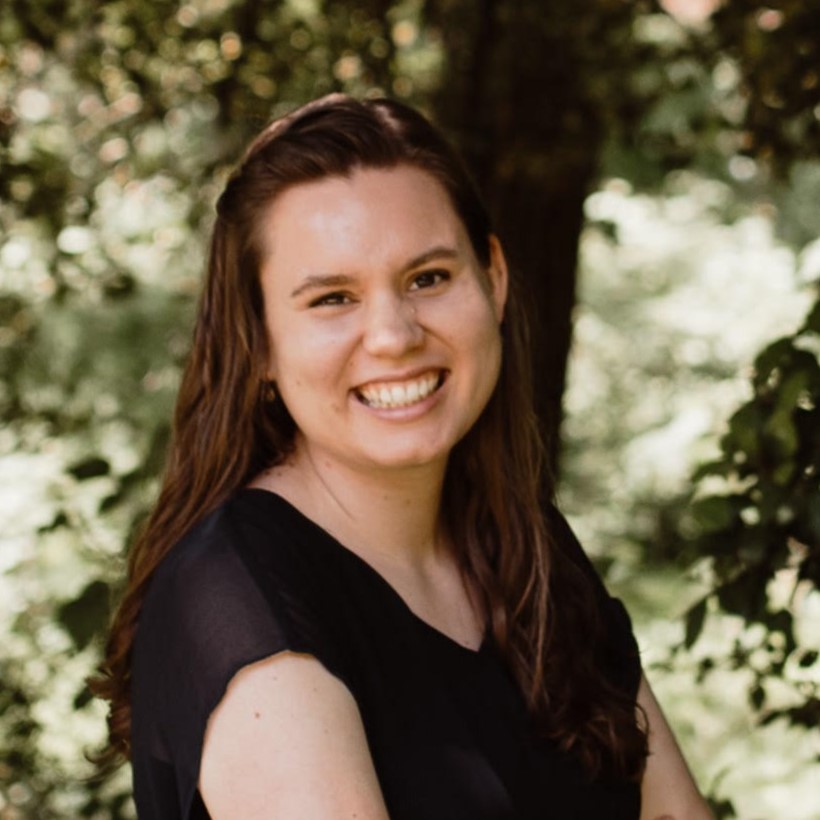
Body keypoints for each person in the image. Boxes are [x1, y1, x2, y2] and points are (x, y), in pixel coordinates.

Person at [93, 94, 711, 820]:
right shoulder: (241, 607)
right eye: (332, 299)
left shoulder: (522, 544)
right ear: (257, 341)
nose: (392, 335)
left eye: (428, 279)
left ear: (494, 279)